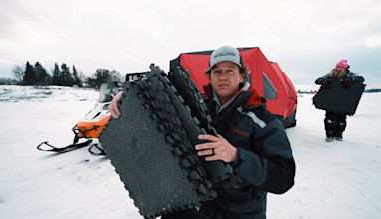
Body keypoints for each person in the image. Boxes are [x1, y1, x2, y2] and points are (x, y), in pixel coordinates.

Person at [110, 45, 296, 219]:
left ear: (242, 76)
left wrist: (236, 156)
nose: (223, 77)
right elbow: (158, 97)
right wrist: (128, 96)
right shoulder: (195, 107)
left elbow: (283, 178)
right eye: (217, 71)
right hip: (194, 205)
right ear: (210, 76)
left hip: (239, 213)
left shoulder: (262, 121)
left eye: (230, 71)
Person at [315, 59, 364, 142]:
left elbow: (361, 79)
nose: (339, 69)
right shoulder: (330, 74)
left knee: (341, 119)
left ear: (345, 68)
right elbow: (318, 80)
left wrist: (351, 80)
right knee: (330, 118)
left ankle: (339, 134)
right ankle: (329, 135)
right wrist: (324, 82)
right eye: (338, 67)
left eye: (341, 67)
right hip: (331, 101)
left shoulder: (349, 75)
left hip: (343, 102)